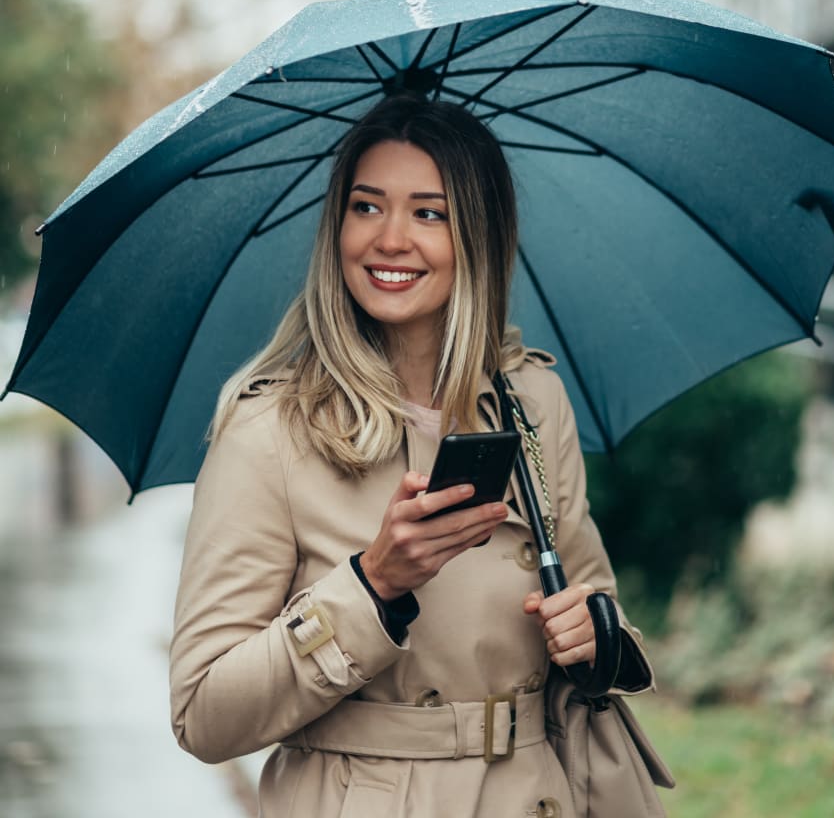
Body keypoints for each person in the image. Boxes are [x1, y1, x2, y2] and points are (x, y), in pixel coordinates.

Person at [169, 93, 655, 816]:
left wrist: (595, 632)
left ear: (479, 237)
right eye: (366, 207)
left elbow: (591, 594)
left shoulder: (530, 400)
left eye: (429, 212)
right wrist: (371, 585)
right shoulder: (270, 428)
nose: (389, 239)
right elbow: (204, 712)